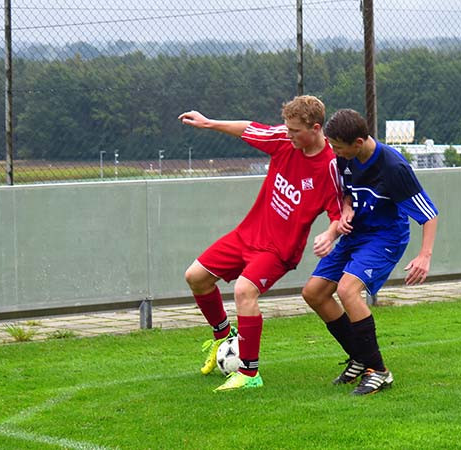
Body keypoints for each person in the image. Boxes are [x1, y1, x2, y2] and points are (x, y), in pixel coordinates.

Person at [179, 95, 342, 391]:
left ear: (315, 128)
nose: (287, 134)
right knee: (196, 277)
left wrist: (330, 234)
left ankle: (250, 375)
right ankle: (223, 339)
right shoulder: (283, 139)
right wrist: (208, 123)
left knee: (244, 290)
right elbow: (248, 128)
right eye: (287, 128)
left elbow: (338, 212)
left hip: (278, 250)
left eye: (295, 130)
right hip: (248, 234)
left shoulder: (330, 166)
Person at [302, 108, 438, 395]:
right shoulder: (346, 158)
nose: (334, 152)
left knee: (348, 290)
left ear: (359, 143)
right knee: (314, 293)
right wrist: (348, 209)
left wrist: (424, 256)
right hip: (358, 233)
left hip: (385, 237)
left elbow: (429, 215)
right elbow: (348, 191)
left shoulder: (393, 168)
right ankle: (360, 357)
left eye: (338, 147)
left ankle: (379, 371)